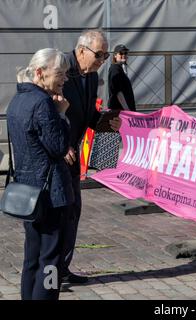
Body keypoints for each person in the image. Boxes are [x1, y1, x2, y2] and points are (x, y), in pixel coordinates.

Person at [7, 48, 74, 300]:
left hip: (28, 192)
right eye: (60, 73)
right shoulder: (43, 103)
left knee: (32, 258)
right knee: (51, 261)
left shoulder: (17, 99)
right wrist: (62, 114)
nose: (64, 79)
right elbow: (57, 147)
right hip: (50, 194)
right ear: (40, 72)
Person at [62, 29, 121, 284]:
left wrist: (108, 123)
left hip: (74, 156)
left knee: (73, 211)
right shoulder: (61, 67)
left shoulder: (91, 75)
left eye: (106, 55)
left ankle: (62, 268)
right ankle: (49, 274)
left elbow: (88, 117)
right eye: (100, 54)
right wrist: (61, 145)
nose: (103, 60)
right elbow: (49, 113)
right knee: (58, 213)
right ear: (82, 50)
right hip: (58, 154)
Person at [107, 44, 136, 111]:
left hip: (123, 111)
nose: (124, 55)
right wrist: (127, 110)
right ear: (115, 55)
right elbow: (118, 92)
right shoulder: (115, 69)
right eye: (121, 53)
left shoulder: (120, 68)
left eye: (125, 53)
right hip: (120, 112)